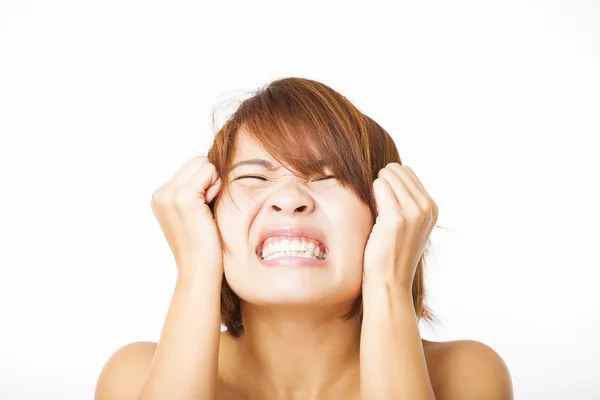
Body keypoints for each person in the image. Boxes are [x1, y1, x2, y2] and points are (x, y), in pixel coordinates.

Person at [94, 77, 513, 399]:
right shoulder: (134, 377)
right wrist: (197, 271)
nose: (290, 199)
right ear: (207, 215)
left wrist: (388, 284)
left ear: (387, 213)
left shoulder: (465, 375)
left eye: (328, 177)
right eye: (254, 177)